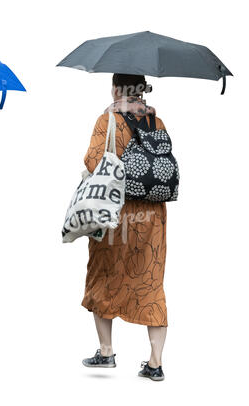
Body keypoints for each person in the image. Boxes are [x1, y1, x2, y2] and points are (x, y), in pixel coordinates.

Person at [81, 74, 168, 381]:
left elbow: (93, 162)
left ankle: (106, 352)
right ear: (141, 89)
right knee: (151, 281)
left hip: (115, 213)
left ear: (116, 88)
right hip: (152, 218)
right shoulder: (156, 122)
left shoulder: (108, 120)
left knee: (104, 275)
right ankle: (155, 362)